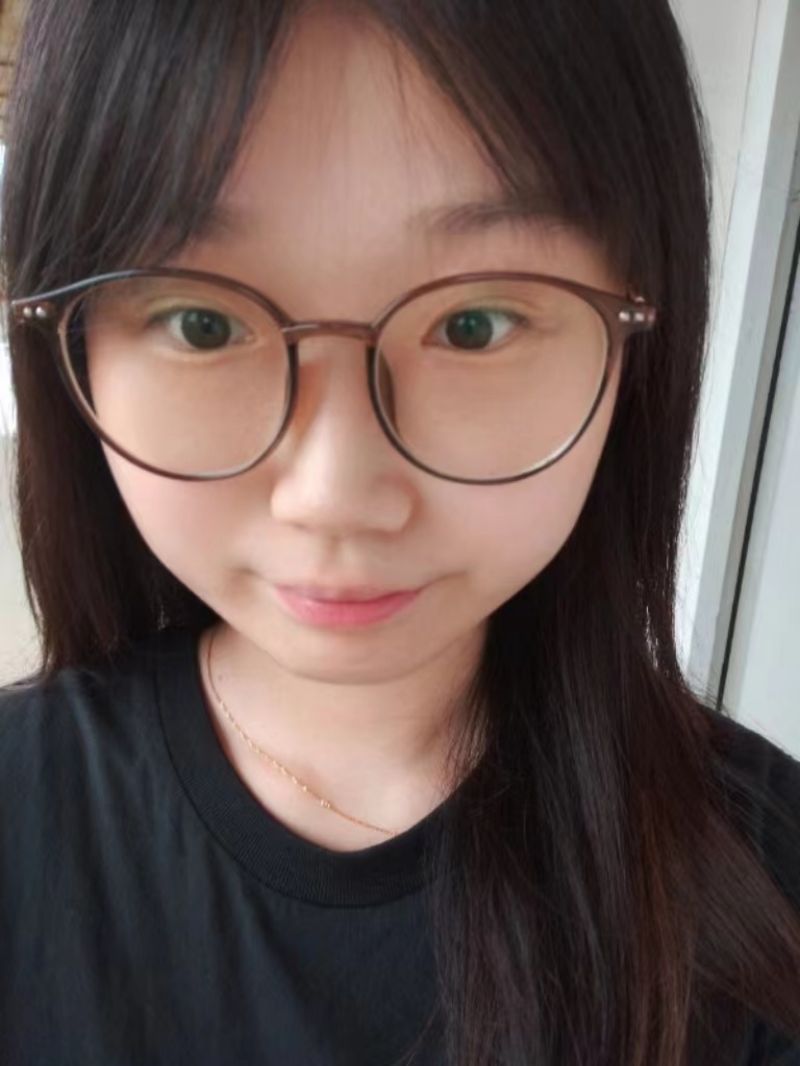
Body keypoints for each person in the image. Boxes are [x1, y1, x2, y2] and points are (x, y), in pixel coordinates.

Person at [0, 1, 798, 1063]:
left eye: (472, 324)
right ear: (67, 341)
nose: (336, 494)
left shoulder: (767, 883)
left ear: (635, 333)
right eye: (203, 322)